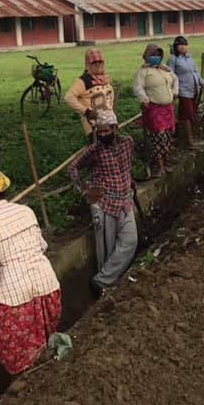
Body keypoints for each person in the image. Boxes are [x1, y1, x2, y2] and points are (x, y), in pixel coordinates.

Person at [0, 169, 62, 375]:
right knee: (46, 346)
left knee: (22, 360)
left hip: (15, 302)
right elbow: (42, 246)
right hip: (47, 287)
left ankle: (27, 389)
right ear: (5, 191)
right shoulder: (26, 211)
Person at [68, 110, 138, 293]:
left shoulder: (128, 143)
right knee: (106, 249)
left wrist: (129, 181)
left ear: (116, 128)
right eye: (99, 132)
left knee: (130, 241)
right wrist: (85, 189)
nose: (102, 135)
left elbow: (126, 165)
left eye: (106, 131)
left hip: (124, 201)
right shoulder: (95, 151)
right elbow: (73, 168)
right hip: (104, 203)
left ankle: (102, 280)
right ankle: (103, 286)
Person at [132, 43, 178, 177]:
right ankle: (160, 166)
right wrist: (144, 99)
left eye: (158, 55)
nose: (156, 57)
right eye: (153, 55)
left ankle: (166, 161)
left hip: (168, 108)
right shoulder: (143, 72)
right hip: (154, 109)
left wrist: (175, 91)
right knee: (158, 136)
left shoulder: (165, 69)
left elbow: (175, 79)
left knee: (168, 135)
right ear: (146, 56)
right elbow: (138, 87)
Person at [64, 48, 115, 141]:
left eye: (100, 61)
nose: (98, 64)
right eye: (94, 62)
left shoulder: (105, 78)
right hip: (94, 126)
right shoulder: (84, 81)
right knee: (98, 151)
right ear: (88, 64)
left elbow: (110, 94)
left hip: (109, 122)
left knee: (111, 150)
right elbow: (69, 97)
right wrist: (86, 112)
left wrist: (110, 109)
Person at [168, 36, 203, 150]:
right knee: (187, 114)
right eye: (181, 45)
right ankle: (189, 141)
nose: (184, 47)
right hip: (183, 90)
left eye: (185, 44)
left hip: (194, 89)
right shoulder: (173, 59)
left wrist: (201, 81)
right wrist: (174, 90)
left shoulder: (189, 58)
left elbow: (195, 71)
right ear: (176, 47)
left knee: (191, 113)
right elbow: (170, 75)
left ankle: (182, 138)